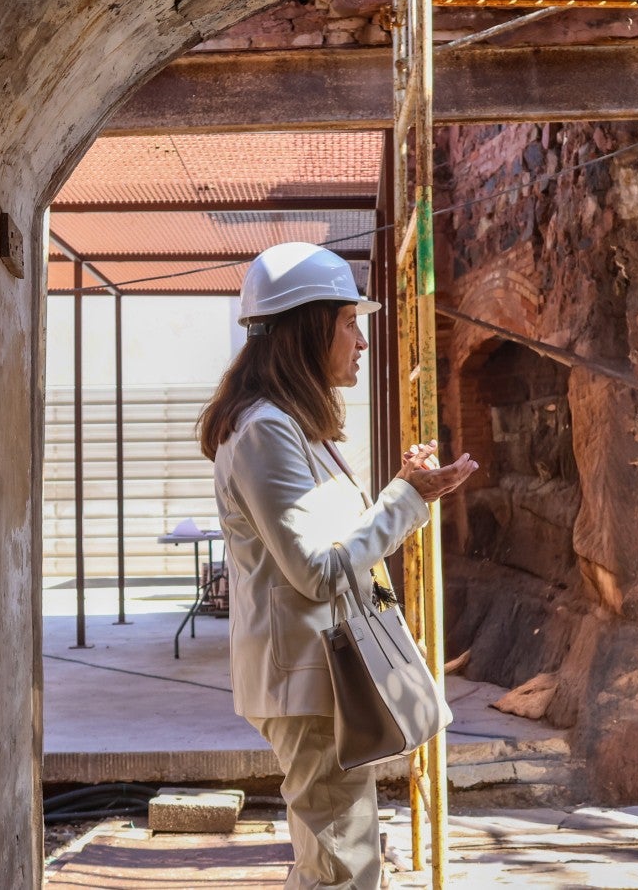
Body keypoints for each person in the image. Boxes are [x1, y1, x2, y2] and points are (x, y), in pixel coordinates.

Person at [200, 241, 476, 890]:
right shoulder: (267, 429)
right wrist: (406, 499)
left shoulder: (290, 425)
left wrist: (404, 494)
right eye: (349, 323)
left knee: (343, 863)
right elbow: (318, 572)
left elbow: (330, 546)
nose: (361, 341)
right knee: (339, 872)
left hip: (321, 675)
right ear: (306, 329)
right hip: (308, 679)